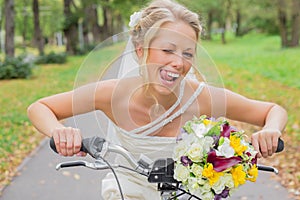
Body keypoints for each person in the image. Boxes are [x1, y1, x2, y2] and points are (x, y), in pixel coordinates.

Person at [27, 0, 287, 199]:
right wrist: (60, 132)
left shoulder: (202, 97)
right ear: (140, 51)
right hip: (126, 192)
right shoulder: (112, 94)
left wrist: (271, 129)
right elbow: (39, 107)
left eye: (188, 53)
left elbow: (272, 111)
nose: (178, 62)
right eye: (167, 50)